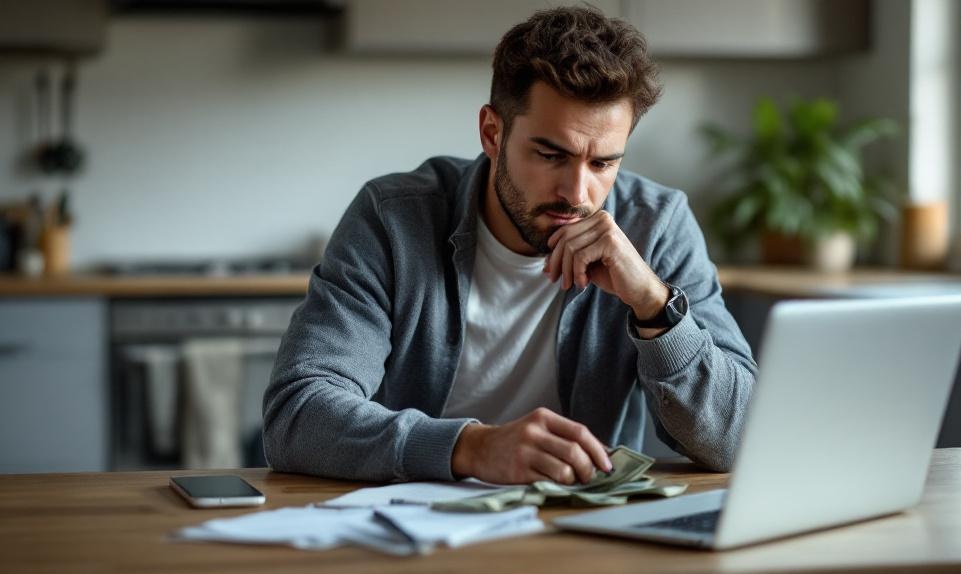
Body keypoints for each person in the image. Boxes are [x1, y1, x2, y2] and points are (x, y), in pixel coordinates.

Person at [263, 5, 756, 486]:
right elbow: (297, 415)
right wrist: (472, 448)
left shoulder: (658, 226)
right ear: (492, 133)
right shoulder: (393, 219)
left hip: (583, 538)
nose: (577, 193)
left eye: (603, 164)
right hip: (411, 534)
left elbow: (739, 440)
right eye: (550, 154)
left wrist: (655, 306)